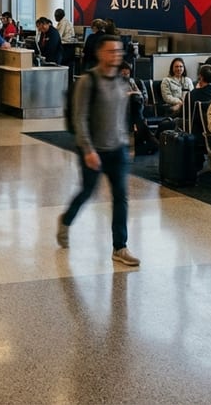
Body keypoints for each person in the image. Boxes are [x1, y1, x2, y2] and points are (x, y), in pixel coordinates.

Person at [56, 35, 140, 266]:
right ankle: (66, 220)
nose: (116, 55)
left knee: (120, 197)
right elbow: (80, 117)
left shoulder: (122, 81)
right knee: (87, 192)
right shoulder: (88, 81)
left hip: (118, 149)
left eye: (119, 51)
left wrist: (126, 142)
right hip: (93, 150)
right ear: (101, 53)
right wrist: (88, 149)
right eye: (111, 51)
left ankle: (120, 247)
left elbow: (120, 117)